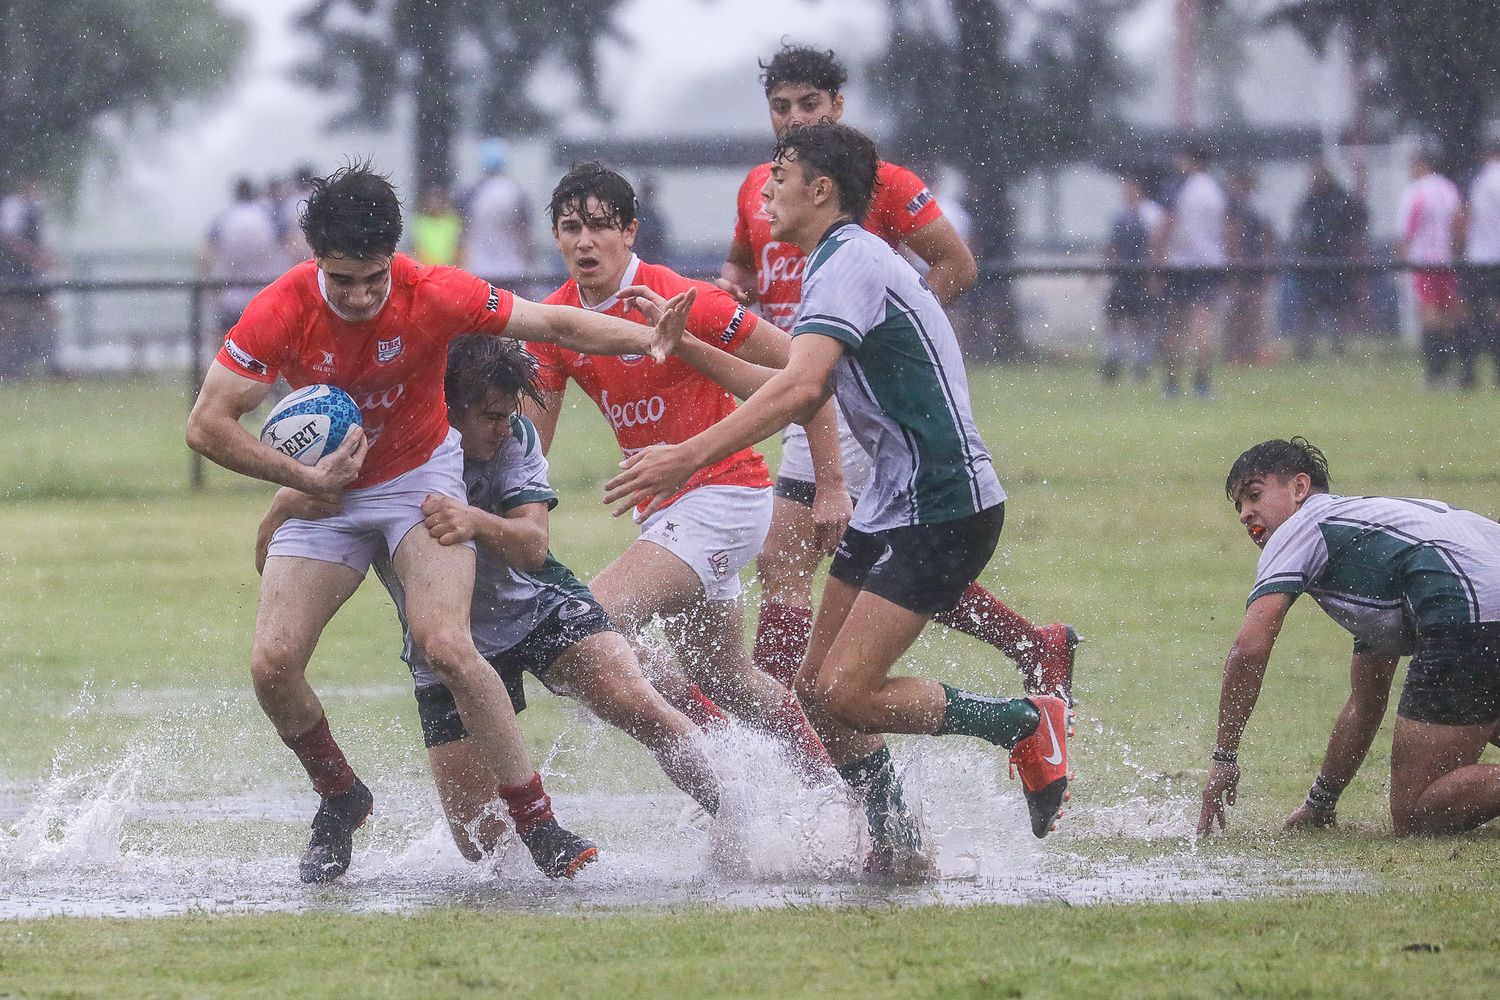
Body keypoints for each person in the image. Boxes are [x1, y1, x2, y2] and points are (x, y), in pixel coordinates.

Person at [184, 161, 695, 884]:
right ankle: (340, 794)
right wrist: (302, 481)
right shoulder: (281, 307)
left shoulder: (433, 292)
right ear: (315, 262)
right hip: (327, 490)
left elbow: (548, 320)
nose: (360, 296)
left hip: (416, 480)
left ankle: (538, 820)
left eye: (373, 277)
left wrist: (644, 339)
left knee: (448, 642)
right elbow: (206, 425)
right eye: (343, 281)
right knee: (272, 664)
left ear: (393, 255)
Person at [607, 121, 1073, 876]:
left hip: (944, 504)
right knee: (817, 693)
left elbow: (795, 388)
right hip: (894, 503)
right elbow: (788, 381)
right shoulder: (835, 263)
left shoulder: (850, 262)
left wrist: (686, 456)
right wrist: (686, 345)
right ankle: (896, 839)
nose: (766, 190)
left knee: (849, 692)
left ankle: (1023, 722)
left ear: (821, 190)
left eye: (780, 176)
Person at [256, 335, 721, 862]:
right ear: (446, 408)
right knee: (481, 846)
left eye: (508, 413)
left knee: (640, 707)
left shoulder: (515, 439)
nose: (504, 428)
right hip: (446, 647)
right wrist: (283, 508)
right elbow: (281, 547)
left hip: (538, 607)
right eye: (491, 415)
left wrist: (473, 519)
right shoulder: (380, 456)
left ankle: (740, 816)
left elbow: (532, 546)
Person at [719, 43, 1077, 704]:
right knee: (873, 560)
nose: (795, 119)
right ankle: (1030, 645)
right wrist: (733, 292)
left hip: (853, 401)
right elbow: (742, 268)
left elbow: (956, 266)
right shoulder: (766, 186)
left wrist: (882, 339)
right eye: (781, 107)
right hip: (809, 385)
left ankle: (782, 726)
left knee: (796, 559)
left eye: (810, 104)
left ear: (838, 108)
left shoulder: (877, 183)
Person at [524, 161, 834, 776]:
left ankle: (719, 768)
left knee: (586, 629)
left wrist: (833, 485)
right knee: (729, 679)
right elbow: (531, 446)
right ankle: (826, 786)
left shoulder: (686, 297)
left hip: (727, 495)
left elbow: (806, 379)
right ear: (555, 237)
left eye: (600, 227)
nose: (585, 242)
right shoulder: (558, 321)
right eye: (570, 228)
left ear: (631, 231)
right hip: (664, 513)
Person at [1199, 437, 1500, 836]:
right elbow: (1365, 702)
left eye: (1254, 495)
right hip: (1476, 606)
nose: (1245, 515)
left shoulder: (1302, 527)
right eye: (1239, 506)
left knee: (1417, 814)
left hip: (1469, 612)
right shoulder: (1371, 545)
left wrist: (1224, 757)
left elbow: (1250, 647)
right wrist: (1320, 802)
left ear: (1299, 488)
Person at [1159, 143, 1227, 398]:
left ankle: (1172, 383)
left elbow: (1167, 224)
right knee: (1204, 326)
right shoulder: (1215, 191)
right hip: (1209, 264)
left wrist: (1157, 259)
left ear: (1190, 160)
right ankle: (1201, 384)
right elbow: (1226, 229)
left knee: (1175, 326)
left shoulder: (1180, 188)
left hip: (1181, 265)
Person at [1397, 146, 1466, 389]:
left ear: (1419, 164)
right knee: (1449, 316)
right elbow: (1458, 223)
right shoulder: (1448, 188)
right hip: (1446, 260)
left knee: (1428, 316)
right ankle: (1456, 370)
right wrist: (1456, 251)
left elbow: (1406, 233)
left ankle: (1434, 374)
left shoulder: (1414, 193)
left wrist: (1401, 261)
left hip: (1423, 262)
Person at [1288, 163, 1367, 360]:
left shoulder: (1342, 200)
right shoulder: (1309, 200)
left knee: (1338, 308)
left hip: (1335, 261)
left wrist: (1350, 247)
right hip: (1313, 262)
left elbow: (1360, 221)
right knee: (1309, 308)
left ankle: (1339, 347)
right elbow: (1299, 227)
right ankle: (1304, 349)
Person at [198, 177, 284, 344]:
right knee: (269, 349)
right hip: (266, 294)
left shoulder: (223, 219)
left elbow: (203, 256)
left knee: (227, 348)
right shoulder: (270, 216)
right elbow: (297, 247)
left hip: (232, 295)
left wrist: (210, 286)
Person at [1100, 168, 1165, 382]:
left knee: (1142, 322)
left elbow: (1156, 246)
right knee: (1115, 318)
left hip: (1141, 277)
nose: (1126, 192)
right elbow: (1111, 245)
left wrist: (1153, 274)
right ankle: (1114, 358)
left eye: (1130, 187)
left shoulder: (1152, 214)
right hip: (1122, 276)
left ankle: (1141, 364)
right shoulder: (1119, 215)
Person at [0, 175, 54, 378]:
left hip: (28, 275)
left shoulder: (34, 208)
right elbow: (11, 241)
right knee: (12, 318)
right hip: (14, 275)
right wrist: (36, 258)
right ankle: (11, 367)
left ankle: (42, 363)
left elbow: (32, 242)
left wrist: (48, 258)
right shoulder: (13, 207)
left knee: (43, 315)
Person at [1222, 168, 1275, 366]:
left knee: (1253, 309)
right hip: (1242, 265)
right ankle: (1235, 351)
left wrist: (1267, 260)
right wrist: (1234, 260)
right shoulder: (1234, 206)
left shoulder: (1256, 207)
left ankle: (1252, 349)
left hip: (1255, 264)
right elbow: (1230, 234)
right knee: (1238, 309)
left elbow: (1267, 235)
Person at [460, 139, 533, 282]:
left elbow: (463, 232)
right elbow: (526, 234)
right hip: (512, 269)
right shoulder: (515, 192)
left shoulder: (473, 193)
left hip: (479, 269)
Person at [1462, 133, 1500, 387]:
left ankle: (1469, 373)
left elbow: (1467, 218)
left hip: (1481, 257)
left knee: (1473, 315)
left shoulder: (1480, 181)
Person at [410, 184, 463, 267]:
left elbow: (458, 247)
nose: (435, 204)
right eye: (432, 201)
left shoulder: (452, 221)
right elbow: (416, 247)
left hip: (449, 268)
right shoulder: (420, 222)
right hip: (426, 269)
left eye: (438, 200)